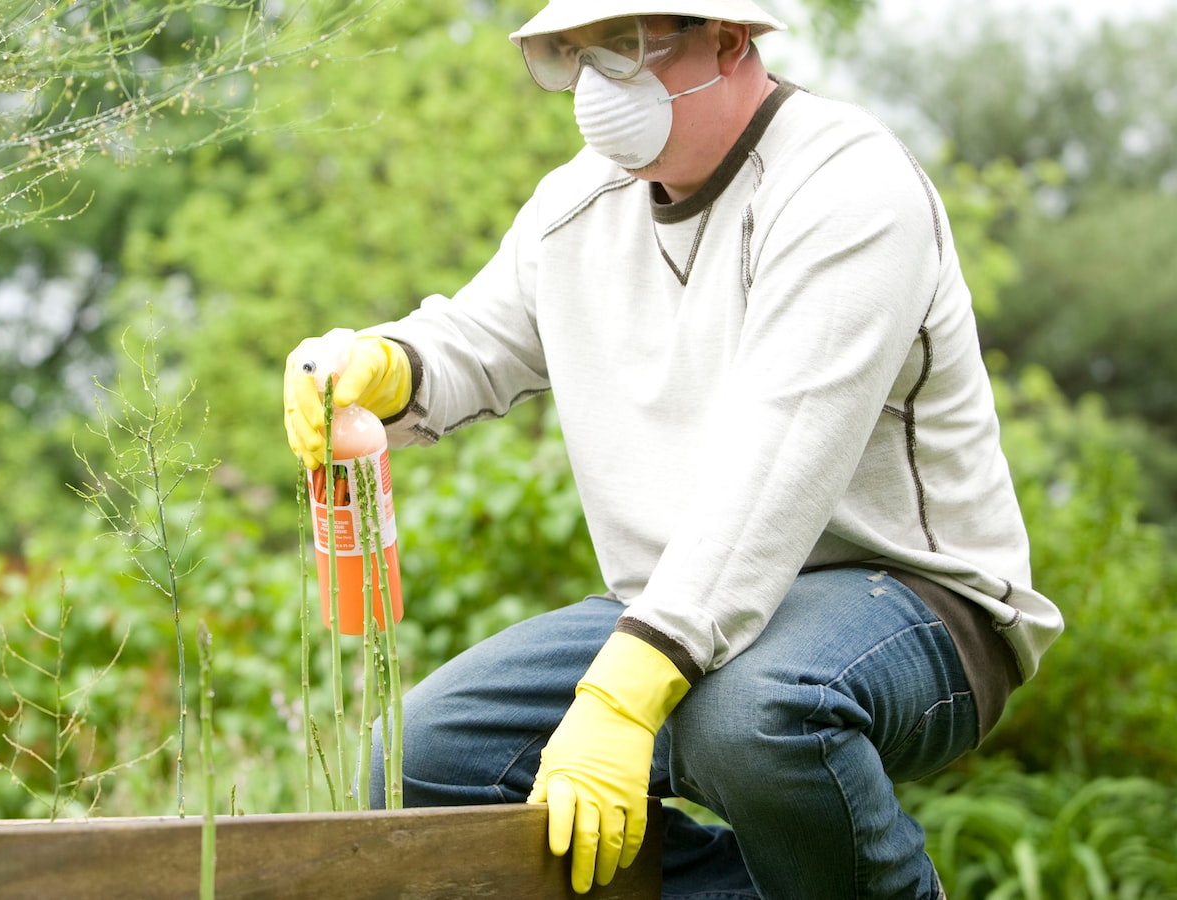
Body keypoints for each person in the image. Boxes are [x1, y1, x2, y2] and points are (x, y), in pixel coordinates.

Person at [281, 1, 1063, 896]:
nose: (594, 82)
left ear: (729, 39)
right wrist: (382, 366)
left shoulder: (847, 187)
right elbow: (475, 340)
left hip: (913, 599)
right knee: (425, 763)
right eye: (575, 52)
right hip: (676, 607)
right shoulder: (575, 206)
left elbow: (777, 469)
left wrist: (621, 695)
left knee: (748, 716)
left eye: (628, 43)